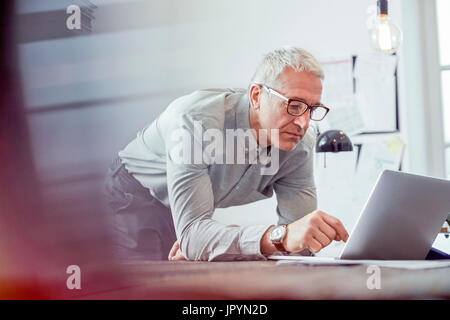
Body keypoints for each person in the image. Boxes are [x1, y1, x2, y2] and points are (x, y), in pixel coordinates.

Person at [104, 46, 349, 261]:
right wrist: (277, 237)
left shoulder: (300, 143)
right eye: (294, 105)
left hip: (187, 210)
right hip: (135, 190)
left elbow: (297, 243)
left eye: (313, 109)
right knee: (142, 285)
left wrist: (297, 239)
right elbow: (195, 237)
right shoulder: (195, 121)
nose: (304, 123)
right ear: (256, 96)